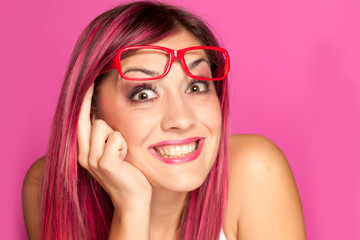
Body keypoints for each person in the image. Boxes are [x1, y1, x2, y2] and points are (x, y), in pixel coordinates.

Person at [22, 1, 306, 239]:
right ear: (90, 112)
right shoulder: (49, 186)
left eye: (196, 87)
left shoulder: (255, 171)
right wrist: (131, 209)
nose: (182, 119)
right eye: (144, 94)